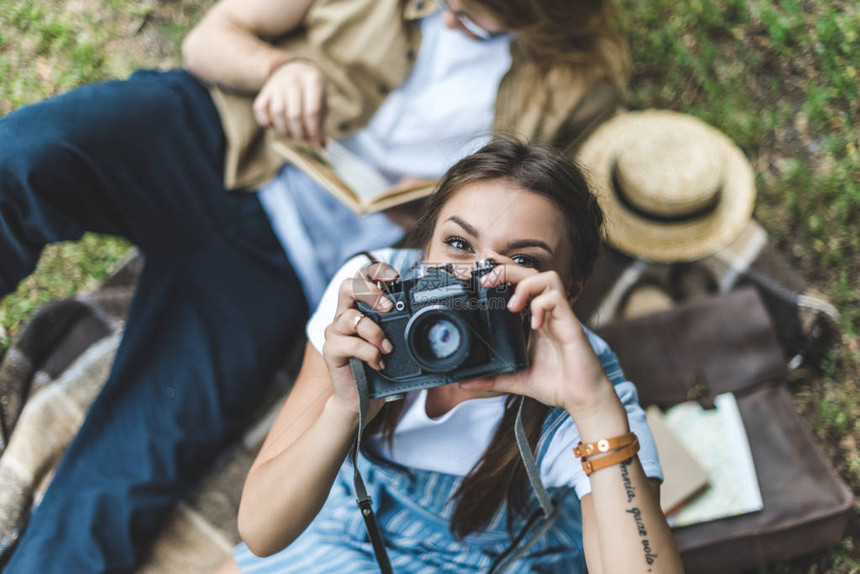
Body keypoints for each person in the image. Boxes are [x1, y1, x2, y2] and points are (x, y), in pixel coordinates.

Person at [0, 0, 629, 571]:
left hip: (286, 268)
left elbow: (530, 217)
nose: (453, 11)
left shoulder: (581, 82)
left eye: (480, 12)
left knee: (128, 464)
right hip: (220, 141)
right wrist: (274, 69)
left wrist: (441, 230)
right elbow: (211, 39)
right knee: (28, 156)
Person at [226, 139, 683, 573]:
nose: (474, 279)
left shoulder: (583, 384)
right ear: (424, 244)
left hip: (494, 556)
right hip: (355, 521)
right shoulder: (370, 296)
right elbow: (262, 532)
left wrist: (595, 412)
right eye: (459, 245)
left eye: (520, 261)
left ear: (570, 287)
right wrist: (345, 407)